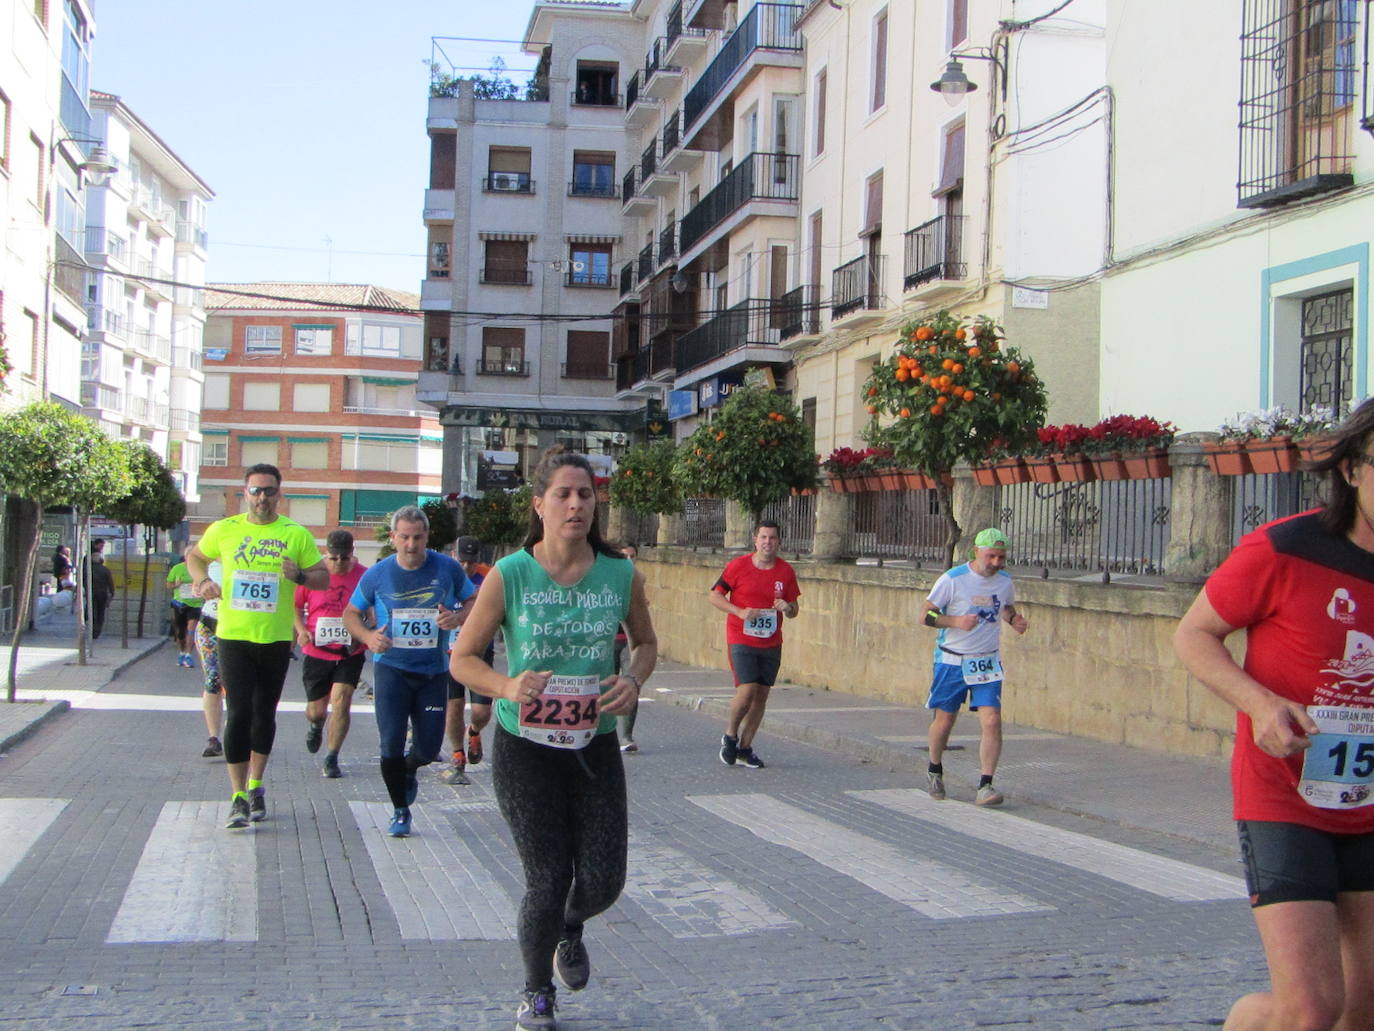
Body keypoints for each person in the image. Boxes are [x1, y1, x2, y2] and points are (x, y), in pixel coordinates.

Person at [1174, 399, 1374, 1031]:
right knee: (1311, 1009)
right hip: (1284, 797)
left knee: (1363, 1012)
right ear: (1353, 470)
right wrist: (1259, 704)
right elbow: (1194, 635)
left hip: (1368, 798)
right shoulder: (1286, 546)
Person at [450, 449, 656, 1031]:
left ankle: (572, 925)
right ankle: (537, 992)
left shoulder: (620, 574)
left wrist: (634, 680)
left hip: (593, 744)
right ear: (539, 504)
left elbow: (645, 643)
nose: (575, 504)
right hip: (526, 747)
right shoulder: (510, 574)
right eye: (564, 494)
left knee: (602, 882)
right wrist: (508, 685)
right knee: (545, 878)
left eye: (585, 494)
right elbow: (464, 659)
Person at [185, 464, 328, 829]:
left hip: (276, 639)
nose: (262, 497)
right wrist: (201, 581)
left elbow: (322, 578)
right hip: (233, 636)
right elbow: (194, 555)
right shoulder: (226, 530)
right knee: (239, 713)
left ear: (279, 495)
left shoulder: (294, 534)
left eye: (268, 491)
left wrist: (298, 575)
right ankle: (236, 796)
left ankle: (256, 785)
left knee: (264, 714)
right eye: (255, 491)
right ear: (244, 493)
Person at [344, 506, 474, 837]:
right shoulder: (378, 573)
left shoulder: (446, 568)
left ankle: (410, 768)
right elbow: (351, 614)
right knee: (390, 744)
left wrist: (457, 618)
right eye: (404, 537)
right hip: (391, 670)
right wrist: (369, 638)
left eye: (418, 537)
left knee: (429, 749)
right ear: (393, 538)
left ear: (427, 537)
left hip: (433, 671)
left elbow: (475, 601)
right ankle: (400, 810)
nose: (411, 545)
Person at [921, 527, 1028, 806]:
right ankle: (934, 767)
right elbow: (926, 615)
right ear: (976, 553)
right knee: (945, 720)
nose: (996, 563)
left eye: (1001, 557)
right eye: (991, 556)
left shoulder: (1004, 581)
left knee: (992, 720)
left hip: (986, 662)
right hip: (952, 659)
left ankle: (986, 785)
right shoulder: (953, 579)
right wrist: (956, 622)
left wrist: (1014, 620)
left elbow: (1005, 607)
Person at [710, 520, 800, 770]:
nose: (767, 542)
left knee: (761, 696)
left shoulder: (785, 572)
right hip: (741, 637)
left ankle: (745, 749)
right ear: (755, 540)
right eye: (763, 537)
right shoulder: (738, 566)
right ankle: (730, 734)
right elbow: (714, 595)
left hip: (771, 640)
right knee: (747, 690)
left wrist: (788, 607)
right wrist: (738, 612)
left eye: (772, 538)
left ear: (779, 542)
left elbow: (794, 610)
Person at [294, 529, 368, 779]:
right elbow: (295, 605)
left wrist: (369, 630)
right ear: (326, 553)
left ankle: (332, 756)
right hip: (317, 649)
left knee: (342, 700)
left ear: (352, 555)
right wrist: (301, 629)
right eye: (333, 558)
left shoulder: (364, 576)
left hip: (350, 649)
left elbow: (374, 606)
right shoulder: (314, 574)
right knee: (316, 709)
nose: (338, 563)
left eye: (344, 558)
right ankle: (316, 725)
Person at [442, 535, 494, 785]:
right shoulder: (443, 577)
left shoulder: (490, 577)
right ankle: (457, 753)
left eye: (471, 563)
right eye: (462, 561)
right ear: (453, 556)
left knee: (482, 711)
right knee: (454, 705)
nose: (466, 567)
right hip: (450, 652)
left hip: (480, 652)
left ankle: (473, 731)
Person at [195, 560, 225, 758]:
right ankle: (213, 738)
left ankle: (238, 734)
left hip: (241, 630)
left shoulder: (253, 561)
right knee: (213, 679)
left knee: (238, 684)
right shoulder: (209, 564)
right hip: (210, 625)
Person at [615, 543, 641, 753]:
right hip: (606, 641)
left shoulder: (638, 580)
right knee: (601, 687)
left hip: (629, 641)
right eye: (624, 557)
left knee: (630, 684)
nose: (629, 561)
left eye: (632, 556)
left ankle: (626, 736)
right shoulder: (604, 578)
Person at [167, 546, 204, 668]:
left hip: (196, 603)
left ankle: (188, 655)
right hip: (180, 603)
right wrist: (175, 584)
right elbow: (168, 584)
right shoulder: (177, 569)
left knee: (191, 628)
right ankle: (182, 652)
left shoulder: (201, 568)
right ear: (186, 557)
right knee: (180, 632)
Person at [87, 550, 116, 640]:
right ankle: (97, 630)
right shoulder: (105, 570)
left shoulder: (88, 570)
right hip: (102, 594)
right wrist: (112, 593)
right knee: (100, 612)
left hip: (91, 593)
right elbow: (110, 583)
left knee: (92, 612)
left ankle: (92, 629)